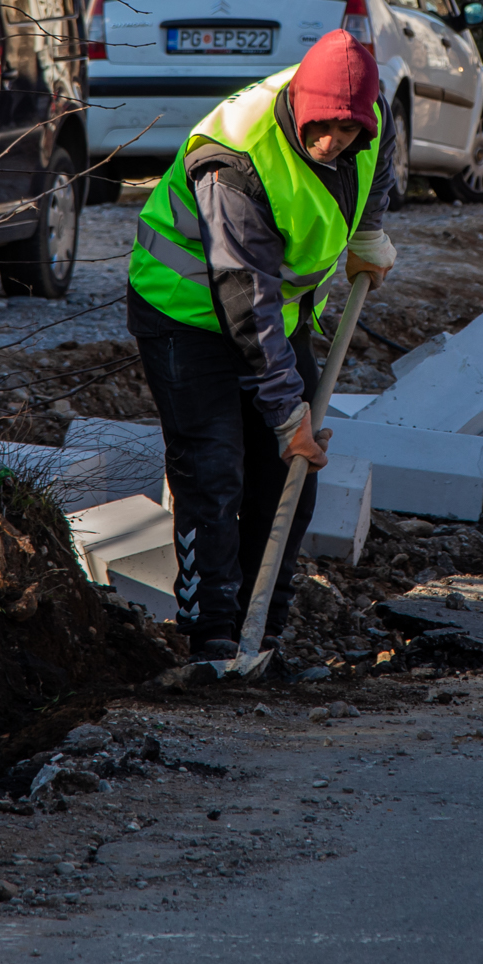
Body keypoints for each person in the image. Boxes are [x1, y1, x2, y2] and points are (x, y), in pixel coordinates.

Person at [127, 32, 399, 662]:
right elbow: (244, 298)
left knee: (287, 477)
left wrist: (369, 232)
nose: (334, 144)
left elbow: (377, 166)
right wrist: (286, 414)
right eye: (321, 130)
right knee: (214, 470)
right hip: (186, 316)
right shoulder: (235, 163)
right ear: (302, 107)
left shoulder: (369, 115)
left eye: (348, 131)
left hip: (278, 314)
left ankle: (263, 629)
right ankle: (212, 636)